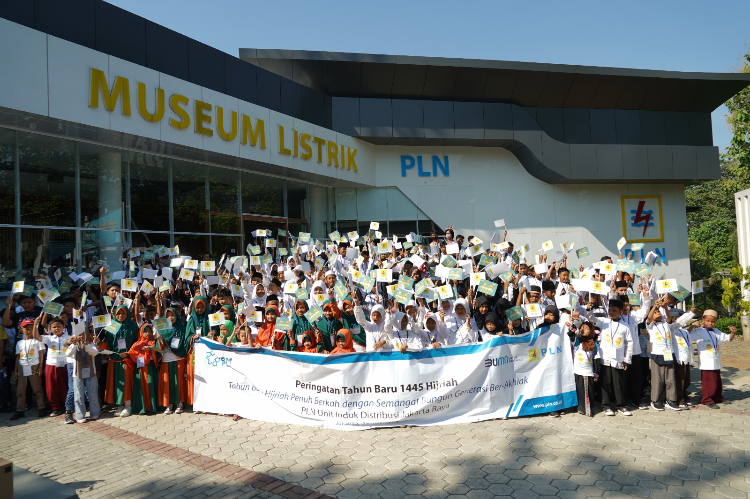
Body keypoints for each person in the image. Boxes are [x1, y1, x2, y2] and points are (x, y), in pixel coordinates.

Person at [588, 298, 633, 417]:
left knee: (619, 384)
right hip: (605, 358)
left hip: (618, 359)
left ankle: (621, 405)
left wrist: (627, 360)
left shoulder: (625, 326)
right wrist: (589, 309)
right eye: (610, 310)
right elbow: (591, 319)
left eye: (614, 310)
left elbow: (629, 343)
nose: (611, 312)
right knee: (605, 383)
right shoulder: (604, 322)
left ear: (620, 311)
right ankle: (606, 406)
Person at [689, 309, 737, 409]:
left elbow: (728, 338)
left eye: (713, 321)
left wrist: (733, 333)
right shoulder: (698, 331)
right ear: (703, 320)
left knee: (717, 381)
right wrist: (692, 326)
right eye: (708, 321)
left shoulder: (717, 332)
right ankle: (707, 399)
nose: (710, 323)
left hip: (716, 361)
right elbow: (687, 336)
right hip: (706, 362)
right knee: (708, 382)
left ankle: (718, 397)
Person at [102, 305, 139, 417]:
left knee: (126, 382)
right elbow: (107, 342)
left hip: (127, 359)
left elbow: (136, 343)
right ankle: (120, 405)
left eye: (123, 313)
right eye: (118, 313)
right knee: (117, 383)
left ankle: (128, 405)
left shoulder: (132, 325)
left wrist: (128, 354)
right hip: (114, 359)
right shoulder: (112, 325)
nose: (121, 316)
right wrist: (99, 342)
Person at [34, 315, 71, 418]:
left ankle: (67, 405)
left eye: (59, 326)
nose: (57, 328)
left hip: (65, 364)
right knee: (52, 388)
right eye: (54, 327)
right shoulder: (48, 338)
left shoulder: (69, 337)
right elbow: (36, 336)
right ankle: (55, 408)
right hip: (51, 365)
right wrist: (36, 324)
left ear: (64, 326)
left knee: (66, 385)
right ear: (50, 329)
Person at [10, 318, 47, 420]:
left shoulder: (37, 341)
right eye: (26, 329)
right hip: (22, 367)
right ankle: (19, 410)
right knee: (20, 390)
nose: (29, 331)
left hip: (34, 366)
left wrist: (40, 367)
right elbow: (18, 357)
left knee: (37, 389)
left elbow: (41, 354)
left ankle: (41, 408)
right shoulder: (19, 343)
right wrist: (15, 370)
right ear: (21, 330)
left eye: (31, 328)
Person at [156, 307, 189, 415]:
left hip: (178, 359)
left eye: (172, 315)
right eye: (168, 316)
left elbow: (184, 343)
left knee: (178, 382)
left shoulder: (181, 328)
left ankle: (180, 403)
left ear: (177, 315)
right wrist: (160, 340)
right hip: (166, 360)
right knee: (168, 383)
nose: (170, 318)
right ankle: (169, 404)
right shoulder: (162, 330)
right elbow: (158, 347)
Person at [124, 323, 160, 416]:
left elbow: (159, 351)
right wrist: (126, 354)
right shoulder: (137, 343)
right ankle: (142, 407)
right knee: (141, 388)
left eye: (150, 331)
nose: (148, 333)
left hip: (150, 368)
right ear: (141, 332)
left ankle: (152, 407)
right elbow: (131, 352)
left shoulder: (154, 341)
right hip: (140, 369)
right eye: (145, 331)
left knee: (150, 386)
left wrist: (150, 350)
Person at [66, 331, 102, 423]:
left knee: (92, 393)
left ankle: (95, 412)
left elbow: (94, 353)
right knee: (78, 395)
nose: (82, 336)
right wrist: (73, 345)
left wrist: (87, 345)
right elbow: (68, 354)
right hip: (77, 374)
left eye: (84, 334)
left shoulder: (91, 344)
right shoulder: (74, 345)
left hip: (91, 372)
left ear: (88, 335)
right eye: (79, 334)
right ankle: (79, 415)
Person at [570, 324, 600, 417]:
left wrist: (596, 373)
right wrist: (571, 328)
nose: (583, 330)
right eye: (582, 328)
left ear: (591, 332)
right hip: (577, 371)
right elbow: (571, 337)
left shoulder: (594, 345)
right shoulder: (578, 341)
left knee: (587, 392)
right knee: (579, 390)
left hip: (587, 372)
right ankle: (580, 407)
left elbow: (596, 360)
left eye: (586, 329)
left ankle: (587, 409)